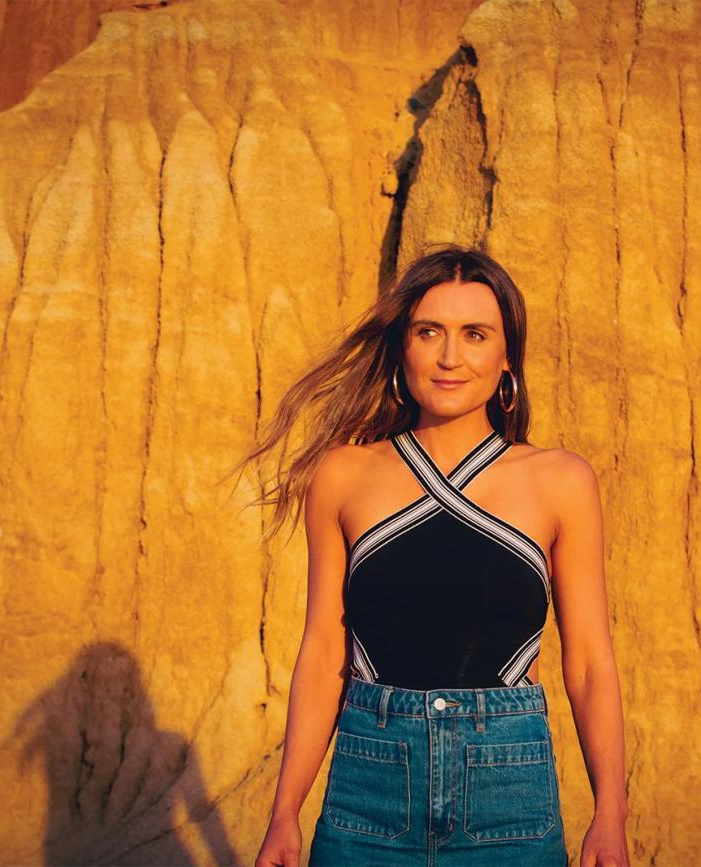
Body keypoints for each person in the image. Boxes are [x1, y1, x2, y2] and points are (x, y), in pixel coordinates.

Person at [242, 244, 630, 866]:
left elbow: (588, 663)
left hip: (510, 786)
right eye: (430, 332)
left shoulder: (561, 480)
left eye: (475, 335)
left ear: (507, 360)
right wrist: (285, 811)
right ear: (404, 349)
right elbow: (322, 655)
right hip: (369, 782)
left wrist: (610, 813)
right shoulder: (342, 474)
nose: (451, 357)